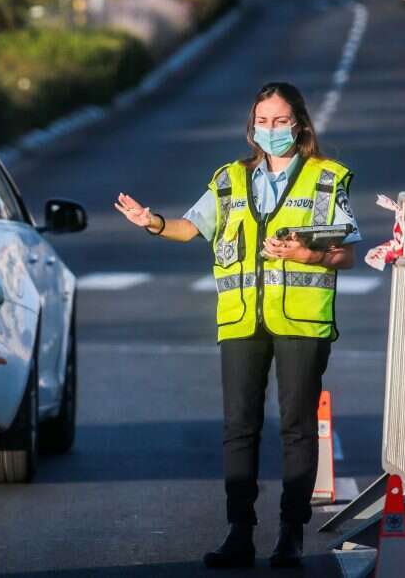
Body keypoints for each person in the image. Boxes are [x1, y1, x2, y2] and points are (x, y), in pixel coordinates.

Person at [114, 82, 361, 569]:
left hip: (301, 321)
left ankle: (290, 533)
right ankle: (239, 532)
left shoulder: (328, 179)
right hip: (242, 320)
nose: (270, 130)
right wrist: (153, 222)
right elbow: (192, 227)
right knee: (239, 428)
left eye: (280, 121)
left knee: (296, 427)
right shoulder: (229, 179)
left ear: (301, 125)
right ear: (251, 127)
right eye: (262, 121)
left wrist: (307, 253)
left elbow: (346, 254)